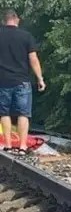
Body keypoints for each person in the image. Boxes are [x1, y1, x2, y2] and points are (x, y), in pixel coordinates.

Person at [0, 10, 45, 155]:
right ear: (17, 20)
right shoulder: (26, 36)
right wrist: (40, 78)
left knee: (4, 113)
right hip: (22, 81)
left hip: (2, 81)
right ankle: (23, 146)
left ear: (3, 21)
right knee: (23, 114)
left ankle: (7, 145)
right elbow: (33, 59)